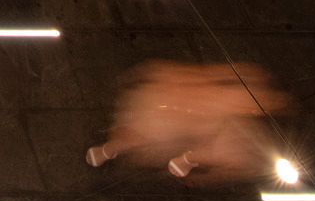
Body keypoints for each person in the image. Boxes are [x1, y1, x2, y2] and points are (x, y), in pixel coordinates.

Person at [86, 60, 289, 181]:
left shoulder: (245, 117)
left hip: (202, 121)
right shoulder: (250, 77)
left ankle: (187, 159)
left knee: (216, 150)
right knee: (145, 131)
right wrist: (190, 81)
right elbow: (216, 73)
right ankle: (110, 148)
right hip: (188, 103)